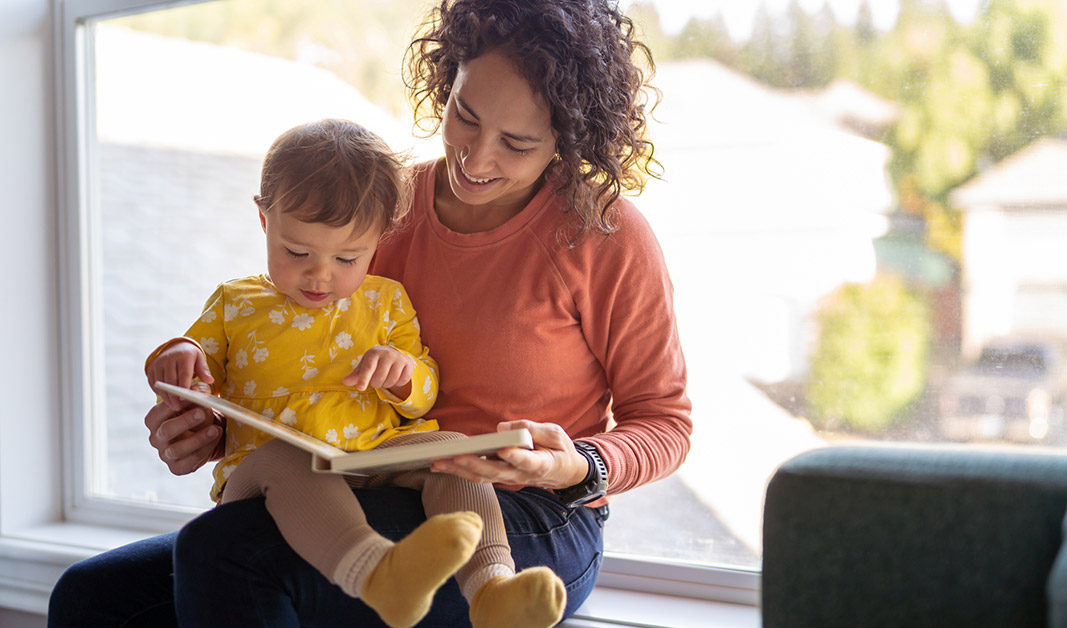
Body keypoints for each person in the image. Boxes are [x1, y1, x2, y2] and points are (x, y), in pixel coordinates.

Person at [48, 0, 691, 626]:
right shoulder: (380, 203)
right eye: (464, 115)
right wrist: (216, 425)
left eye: (517, 143)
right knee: (90, 597)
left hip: (533, 513)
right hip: (363, 478)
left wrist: (576, 465)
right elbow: (299, 349)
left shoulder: (603, 234)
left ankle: (490, 590)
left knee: (228, 553)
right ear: (449, 77)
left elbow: (665, 423)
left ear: (568, 138)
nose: (476, 156)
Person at [142, 117, 565, 628]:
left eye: (347, 257)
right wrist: (177, 354)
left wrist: (402, 374)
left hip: (367, 458)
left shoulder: (386, 302)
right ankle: (379, 575)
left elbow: (424, 393)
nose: (319, 274)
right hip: (266, 474)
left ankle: (492, 588)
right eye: (296, 252)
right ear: (263, 221)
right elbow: (191, 365)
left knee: (454, 450)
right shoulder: (237, 302)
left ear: (379, 239)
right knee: (288, 457)